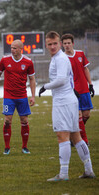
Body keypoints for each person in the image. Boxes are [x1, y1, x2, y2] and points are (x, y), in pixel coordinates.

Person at [39, 31, 95, 181]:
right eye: (49, 44)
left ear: (59, 43)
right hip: (69, 100)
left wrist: (46, 86)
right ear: (46, 44)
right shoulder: (59, 57)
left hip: (63, 102)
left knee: (62, 136)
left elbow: (62, 79)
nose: (52, 46)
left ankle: (63, 174)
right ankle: (88, 170)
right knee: (76, 136)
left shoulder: (60, 59)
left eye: (55, 43)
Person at [0, 39, 36, 155]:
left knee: (24, 120)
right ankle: (7, 147)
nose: (12, 50)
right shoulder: (5, 60)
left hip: (22, 96)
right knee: (7, 120)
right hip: (8, 96)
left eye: (15, 48)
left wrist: (33, 96)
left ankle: (25, 147)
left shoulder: (28, 62)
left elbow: (32, 79)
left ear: (21, 49)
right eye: (11, 48)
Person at [61, 33, 94, 145]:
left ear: (72, 43)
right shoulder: (62, 58)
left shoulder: (80, 54)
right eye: (65, 43)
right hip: (72, 92)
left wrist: (90, 84)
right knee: (79, 116)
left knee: (86, 115)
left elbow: (85, 69)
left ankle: (73, 134)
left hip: (84, 89)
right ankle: (83, 140)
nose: (67, 45)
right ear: (62, 44)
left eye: (68, 43)